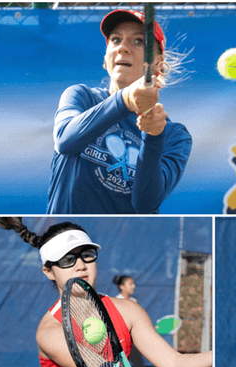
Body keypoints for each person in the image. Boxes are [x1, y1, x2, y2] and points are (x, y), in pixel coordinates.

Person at [0, 217, 212, 367]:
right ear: (49, 272)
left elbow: (174, 365)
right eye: (67, 260)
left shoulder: (129, 311)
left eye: (87, 255)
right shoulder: (50, 330)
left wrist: (221, 353)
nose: (80, 266)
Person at [47, 9, 192, 214]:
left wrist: (153, 138)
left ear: (157, 64)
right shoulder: (81, 96)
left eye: (138, 41)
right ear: (106, 59)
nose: (123, 47)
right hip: (68, 234)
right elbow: (64, 140)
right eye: (115, 40)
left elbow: (145, 204)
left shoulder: (174, 135)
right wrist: (124, 100)